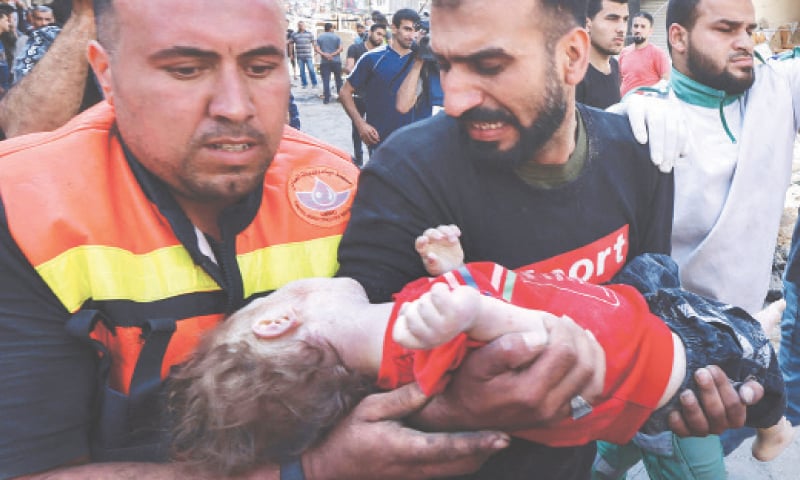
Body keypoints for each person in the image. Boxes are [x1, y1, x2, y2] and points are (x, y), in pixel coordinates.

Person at [0, 1, 515, 479]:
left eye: (261, 67)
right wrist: (308, 470)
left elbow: (422, 372)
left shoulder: (336, 185)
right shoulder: (28, 207)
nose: (235, 106)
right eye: (186, 70)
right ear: (106, 74)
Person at [337, 1, 767, 478]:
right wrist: (459, 406)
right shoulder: (405, 172)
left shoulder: (639, 155)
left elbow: (647, 303)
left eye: (490, 66)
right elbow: (352, 384)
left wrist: (677, 392)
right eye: (445, 65)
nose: (454, 99)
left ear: (572, 57)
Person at [166, 225, 790, 476]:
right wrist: (474, 308)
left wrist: (453, 272)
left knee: (659, 272)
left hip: (629, 309)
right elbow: (537, 344)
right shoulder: (422, 340)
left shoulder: (401, 332)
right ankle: (774, 424)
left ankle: (749, 333)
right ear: (277, 319)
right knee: (749, 358)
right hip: (659, 355)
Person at [595, 0, 800, 476]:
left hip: (741, 344)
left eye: (749, 29)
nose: (745, 41)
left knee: (610, 450)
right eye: (726, 29)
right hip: (676, 355)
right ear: (680, 38)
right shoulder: (642, 122)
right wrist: (633, 107)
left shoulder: (776, 87)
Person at [339, 8, 439, 153]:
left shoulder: (426, 60)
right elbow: (344, 92)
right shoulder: (372, 58)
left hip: (416, 145)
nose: (412, 35)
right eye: (407, 29)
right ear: (394, 28)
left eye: (415, 30)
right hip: (382, 142)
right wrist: (361, 124)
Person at [0, 0, 100, 138]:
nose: (42, 22)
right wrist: (85, 18)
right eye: (39, 19)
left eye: (46, 19)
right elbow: (24, 127)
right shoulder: (47, 35)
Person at [344, 22, 387, 166]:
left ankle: (373, 161)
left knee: (375, 131)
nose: (380, 38)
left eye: (383, 35)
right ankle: (358, 160)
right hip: (358, 96)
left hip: (375, 98)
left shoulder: (383, 52)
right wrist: (361, 73)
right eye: (378, 34)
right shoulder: (356, 48)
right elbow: (349, 67)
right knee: (357, 128)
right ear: (370, 33)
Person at [576, 0, 627, 109]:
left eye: (625, 19)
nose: (622, 29)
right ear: (587, 24)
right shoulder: (575, 75)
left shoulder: (614, 65)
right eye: (612, 19)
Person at [618, 11, 671, 97]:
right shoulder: (624, 52)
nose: (638, 30)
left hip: (647, 106)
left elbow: (666, 81)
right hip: (624, 104)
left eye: (643, 27)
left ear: (650, 31)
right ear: (631, 28)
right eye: (636, 26)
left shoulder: (657, 53)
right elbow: (620, 80)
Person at [315, 22, 343, 104]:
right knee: (338, 80)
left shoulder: (320, 38)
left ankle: (326, 99)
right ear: (331, 28)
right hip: (336, 61)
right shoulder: (337, 37)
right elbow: (340, 49)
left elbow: (317, 49)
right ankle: (340, 98)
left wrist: (325, 54)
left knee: (326, 80)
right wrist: (332, 54)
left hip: (325, 62)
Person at [290, 20, 317, 88]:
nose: (301, 26)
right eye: (299, 25)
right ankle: (304, 84)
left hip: (308, 56)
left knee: (311, 70)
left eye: (302, 25)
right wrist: (291, 54)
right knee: (302, 71)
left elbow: (314, 43)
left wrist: (316, 51)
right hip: (299, 56)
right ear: (298, 26)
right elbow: (291, 45)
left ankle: (314, 83)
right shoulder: (294, 34)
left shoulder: (309, 34)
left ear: (305, 26)